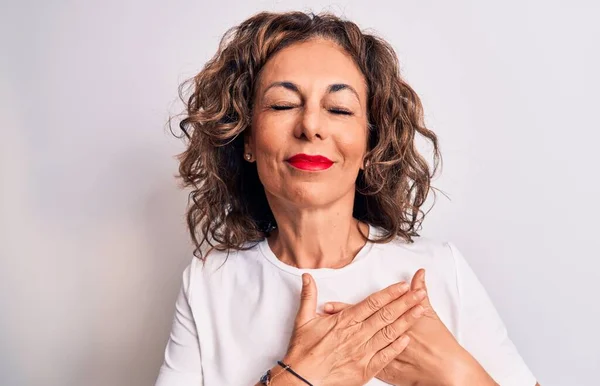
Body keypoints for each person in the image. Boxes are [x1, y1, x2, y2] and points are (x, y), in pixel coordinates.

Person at [156, 11, 540, 386]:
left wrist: (457, 375)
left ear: (371, 144)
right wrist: (298, 378)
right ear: (247, 139)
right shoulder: (209, 282)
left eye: (339, 109)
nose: (310, 126)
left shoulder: (441, 269)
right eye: (283, 105)